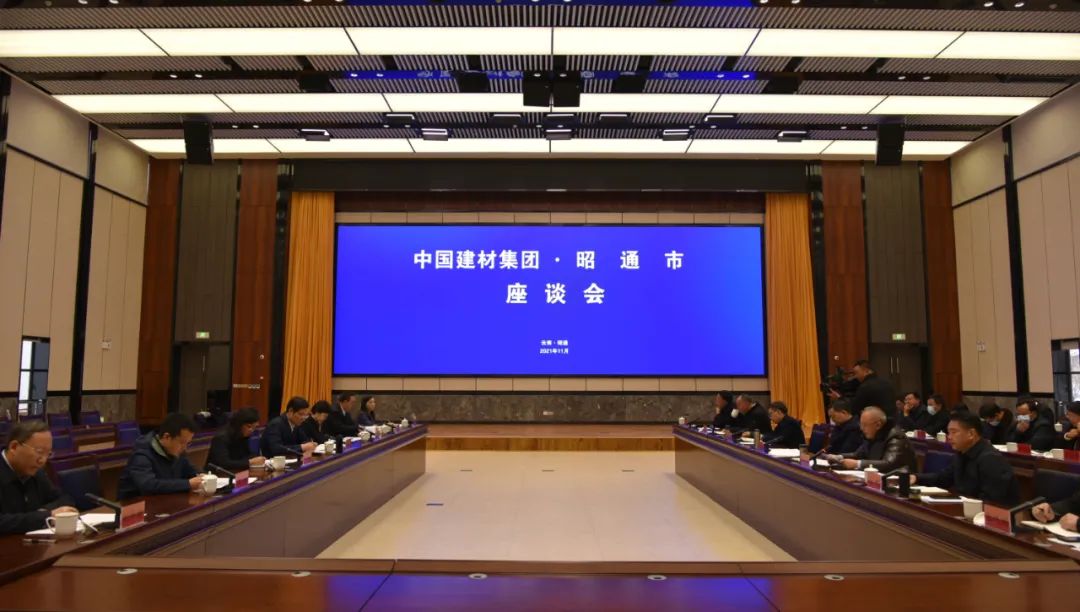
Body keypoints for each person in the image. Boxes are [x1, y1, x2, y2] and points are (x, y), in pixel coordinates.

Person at [913, 411, 1020, 507]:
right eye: (949, 432)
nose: (949, 437)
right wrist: (916, 478)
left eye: (954, 432)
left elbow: (991, 501)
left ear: (971, 434)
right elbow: (943, 478)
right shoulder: (961, 453)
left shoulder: (991, 460)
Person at [0, 421, 77, 534]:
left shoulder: (35, 471)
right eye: (39, 452)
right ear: (14, 447)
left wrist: (44, 511)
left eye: (48, 454)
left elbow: (65, 499)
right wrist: (44, 516)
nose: (43, 461)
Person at [117, 413, 202, 500]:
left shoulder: (178, 452)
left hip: (163, 501)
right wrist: (187, 484)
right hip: (134, 504)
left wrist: (203, 477)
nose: (185, 448)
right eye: (182, 443)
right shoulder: (142, 454)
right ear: (167, 437)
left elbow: (191, 471)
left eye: (188, 443)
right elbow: (148, 485)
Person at [826, 406, 915, 472]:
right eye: (861, 424)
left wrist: (857, 464)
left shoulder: (896, 436)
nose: (861, 429)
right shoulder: (871, 435)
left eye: (865, 425)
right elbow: (858, 454)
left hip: (901, 482)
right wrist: (840, 457)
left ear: (878, 425)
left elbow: (889, 464)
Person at [207, 407, 265, 473]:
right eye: (249, 426)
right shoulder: (221, 438)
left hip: (236, 472)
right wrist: (250, 462)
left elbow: (248, 455)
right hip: (218, 475)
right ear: (239, 424)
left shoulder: (243, 435)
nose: (252, 430)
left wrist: (257, 459)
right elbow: (224, 464)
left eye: (254, 427)